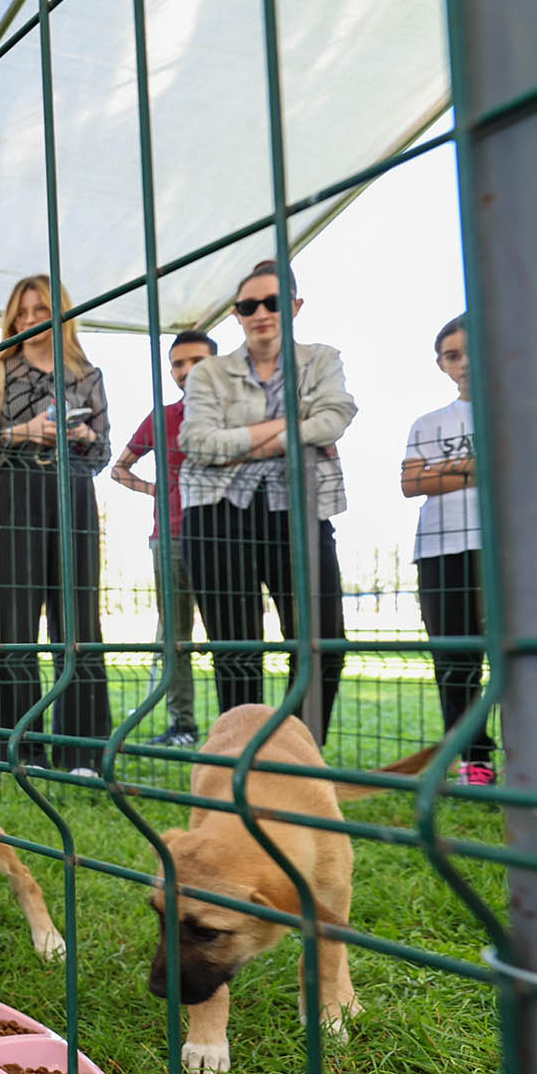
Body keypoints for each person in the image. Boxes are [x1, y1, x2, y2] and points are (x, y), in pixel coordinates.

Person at [179, 259, 356, 742]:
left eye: (273, 302)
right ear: (236, 314)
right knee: (236, 648)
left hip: (299, 509)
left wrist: (246, 441)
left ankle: (300, 751)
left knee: (322, 641)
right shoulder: (209, 372)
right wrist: (290, 428)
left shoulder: (322, 359)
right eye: (247, 305)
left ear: (295, 306)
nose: (261, 313)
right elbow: (197, 441)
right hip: (217, 515)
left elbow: (336, 416)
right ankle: (244, 757)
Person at [0, 277, 112, 773]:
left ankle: (82, 752)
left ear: (60, 313)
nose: (28, 321)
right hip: (13, 497)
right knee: (14, 624)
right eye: (21, 313)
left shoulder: (86, 374)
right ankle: (17, 750)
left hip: (72, 495)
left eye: (39, 310)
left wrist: (83, 434)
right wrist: (27, 431)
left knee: (79, 623)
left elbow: (104, 453)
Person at [402, 313, 496, 785]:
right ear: (440, 365)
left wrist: (447, 472)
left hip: (507, 549)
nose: (463, 364)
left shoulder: (519, 409)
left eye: (470, 351)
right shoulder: (429, 422)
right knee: (455, 663)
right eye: (452, 356)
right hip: (441, 551)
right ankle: (474, 761)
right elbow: (410, 482)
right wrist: (477, 466)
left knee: (516, 657)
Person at [111, 328, 216, 748]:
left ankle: (238, 722)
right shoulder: (161, 417)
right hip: (169, 537)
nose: (186, 370)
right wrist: (155, 490)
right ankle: (183, 727)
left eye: (197, 361)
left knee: (229, 631)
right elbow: (119, 469)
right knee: (175, 637)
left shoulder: (234, 412)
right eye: (178, 363)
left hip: (223, 535)